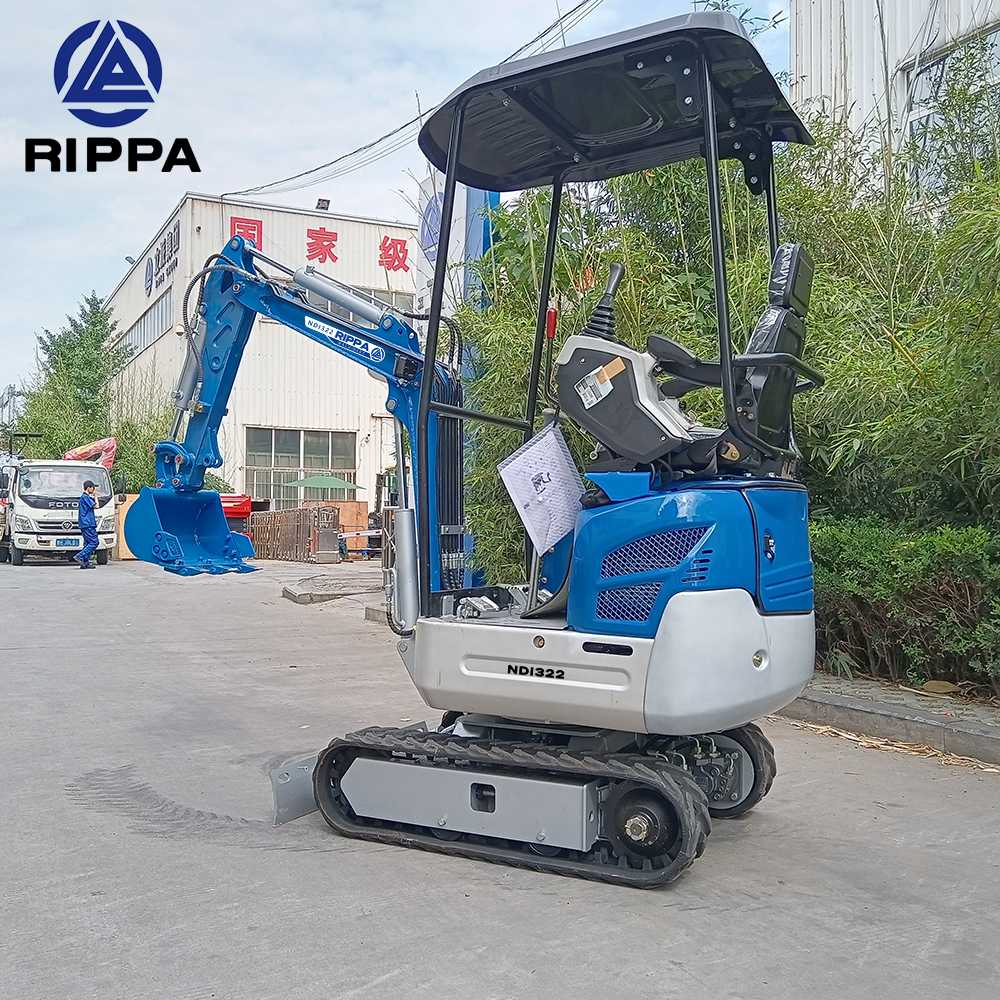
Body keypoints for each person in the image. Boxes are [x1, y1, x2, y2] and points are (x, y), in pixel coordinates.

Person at [75, 480, 99, 569]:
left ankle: (85, 563)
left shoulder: (85, 497)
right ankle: (80, 556)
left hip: (84, 524)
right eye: (93, 488)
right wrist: (96, 496)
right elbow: (96, 506)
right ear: (88, 488)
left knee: (87, 543)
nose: (93, 490)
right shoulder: (85, 497)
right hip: (88, 523)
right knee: (94, 542)